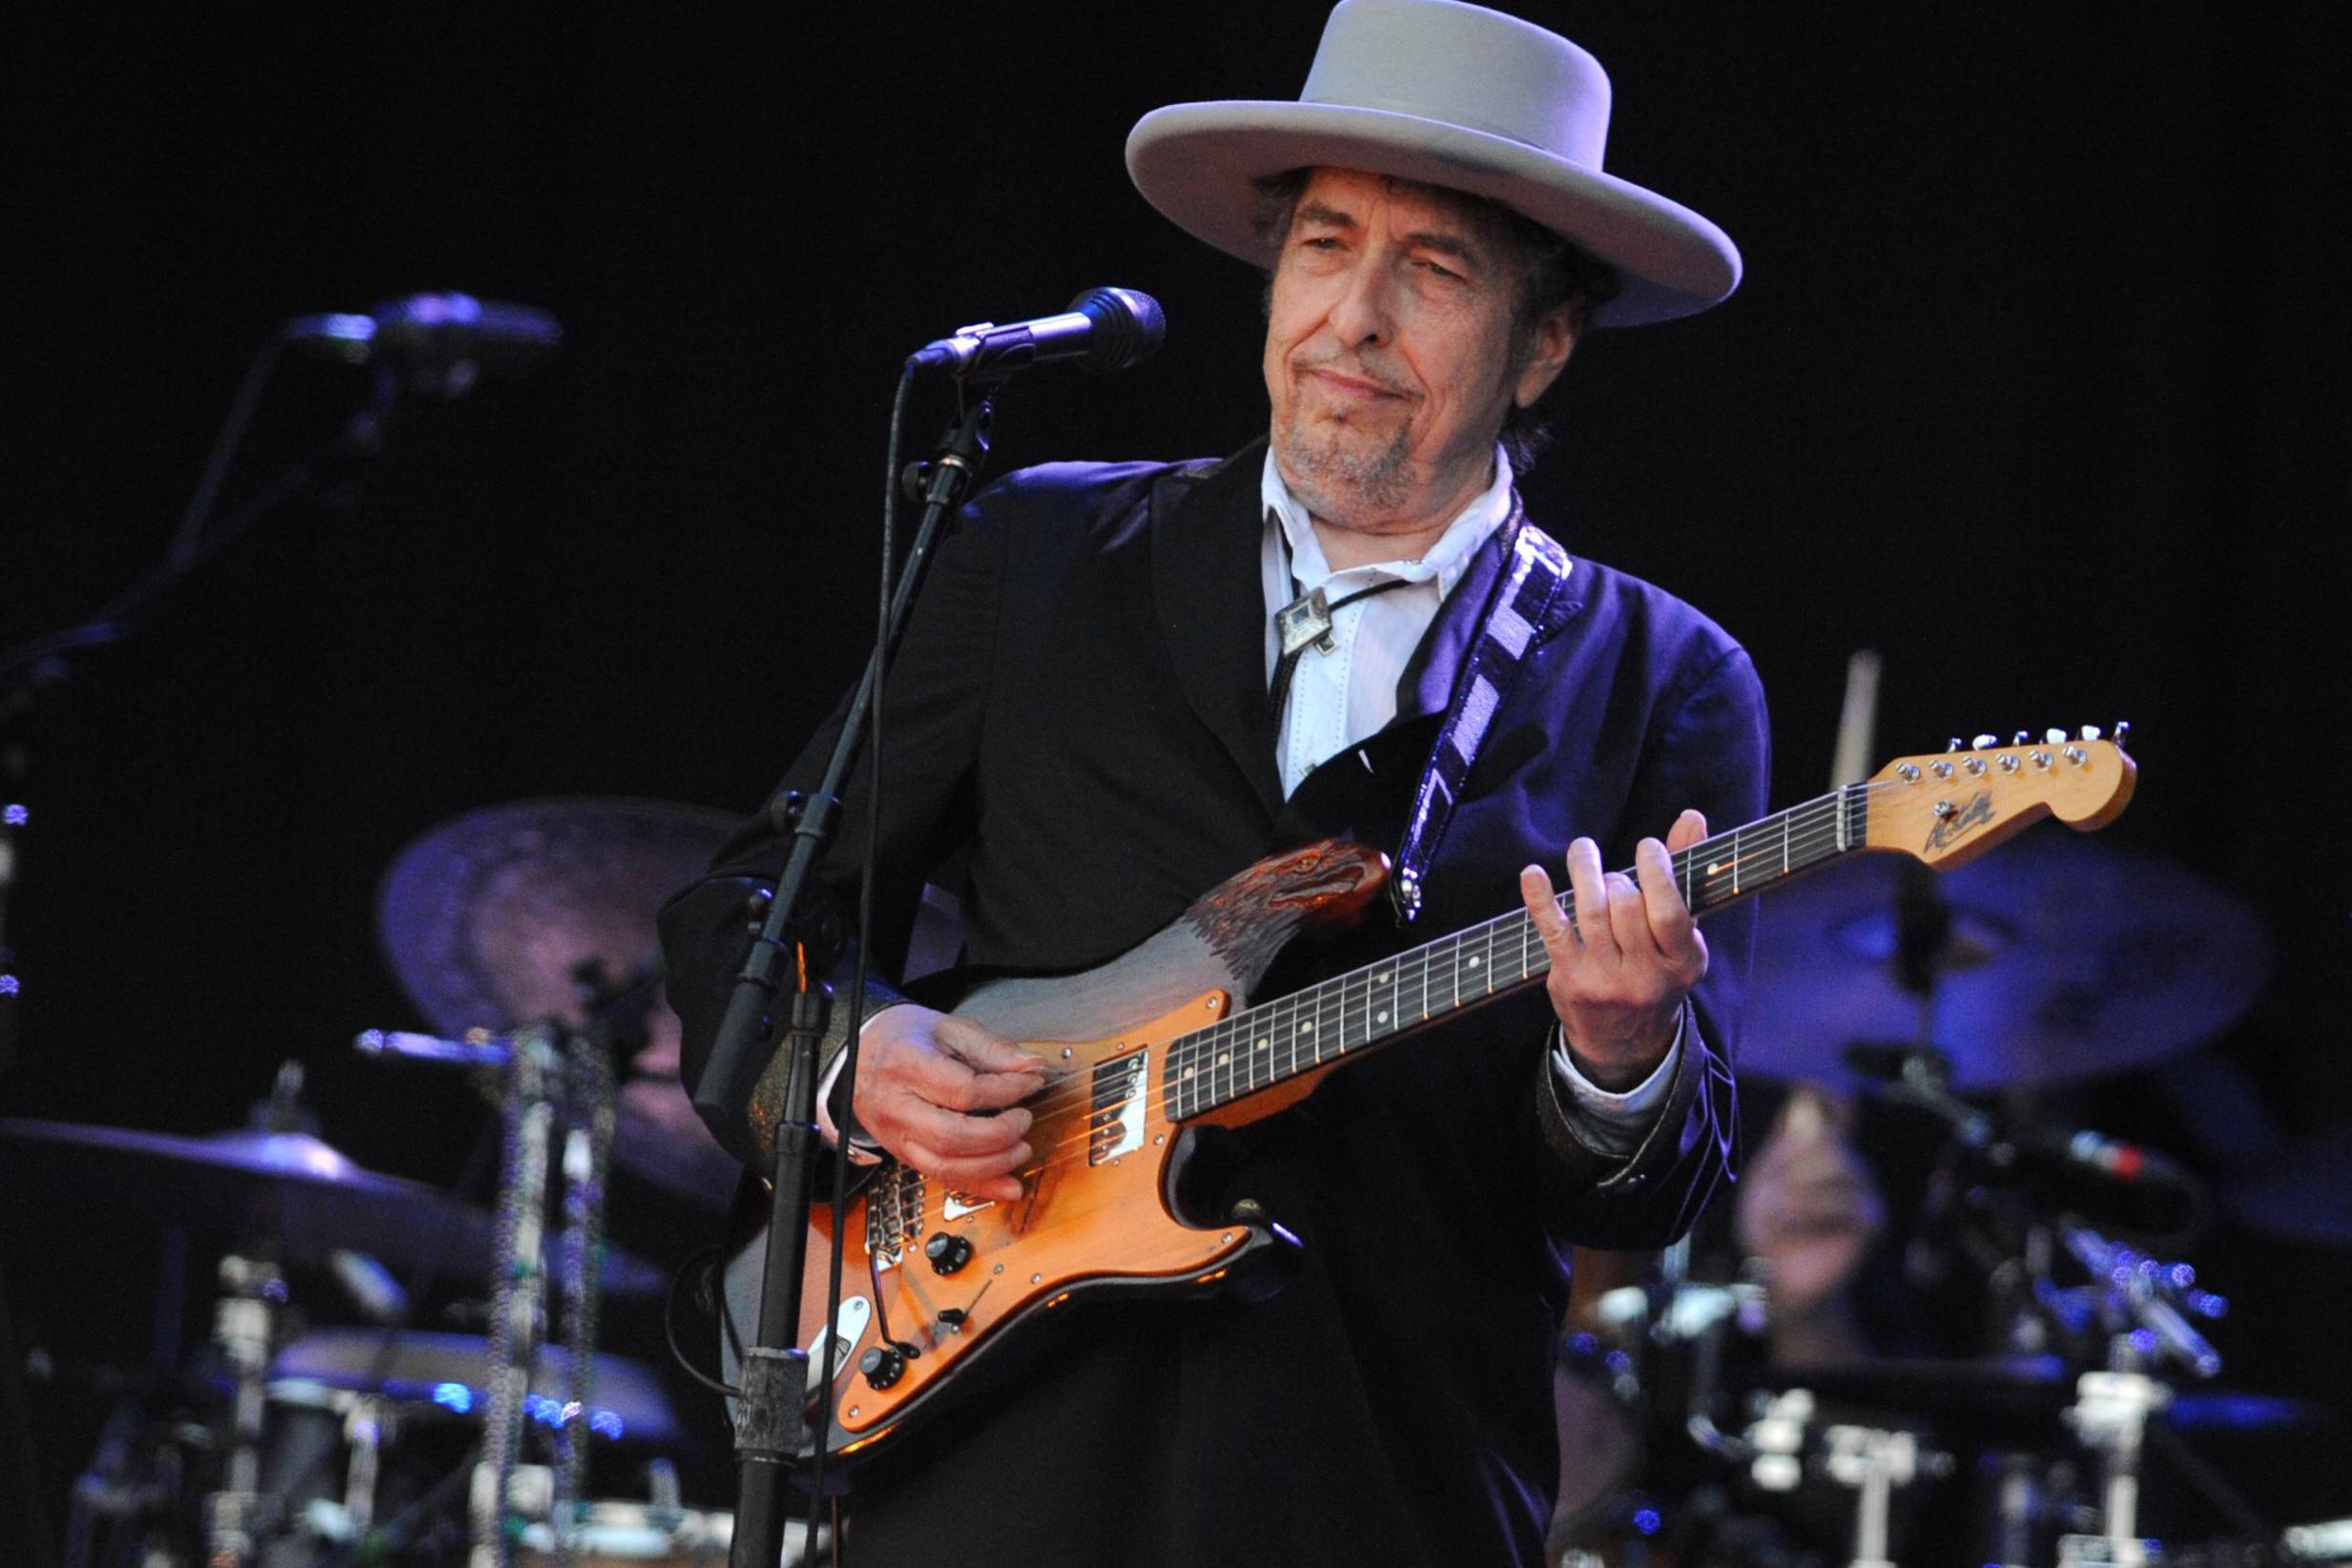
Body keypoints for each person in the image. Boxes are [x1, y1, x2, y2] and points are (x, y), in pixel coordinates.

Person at [661, 1, 1770, 1561]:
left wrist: (1620, 1047)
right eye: (1322, 246)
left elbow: (1647, 1190)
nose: (1350, 321)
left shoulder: (1664, 676)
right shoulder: (1036, 550)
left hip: (1381, 1474)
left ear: (1546, 344)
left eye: (1434, 270)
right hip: (991, 1450)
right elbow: (753, 902)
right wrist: (853, 1062)